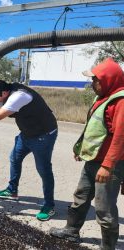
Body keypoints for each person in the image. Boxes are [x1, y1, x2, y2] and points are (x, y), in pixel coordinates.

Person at [50, 58, 124, 249]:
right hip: (94, 160)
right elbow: (95, 128)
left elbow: (120, 138)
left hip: (110, 165)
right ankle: (71, 231)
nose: (92, 84)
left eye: (95, 80)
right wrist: (82, 149)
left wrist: (107, 166)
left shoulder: (121, 101)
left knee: (104, 208)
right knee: (81, 196)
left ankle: (108, 247)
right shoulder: (103, 97)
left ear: (108, 79)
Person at [0, 80, 58, 221]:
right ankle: (12, 190)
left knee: (43, 170)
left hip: (43, 136)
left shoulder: (19, 96)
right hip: (26, 134)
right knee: (14, 158)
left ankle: (49, 205)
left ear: (5, 93)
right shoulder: (5, 93)